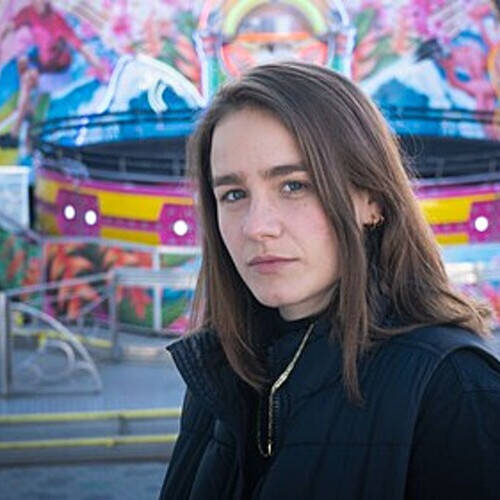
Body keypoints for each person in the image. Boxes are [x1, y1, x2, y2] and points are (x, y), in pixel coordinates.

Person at [159, 61, 500, 500]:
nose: (257, 227)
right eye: (234, 194)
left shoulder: (454, 387)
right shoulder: (220, 370)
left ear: (372, 199)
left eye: (294, 186)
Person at [0, 0, 107, 148]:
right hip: (43, 67)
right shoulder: (29, 12)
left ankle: (16, 132)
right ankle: (27, 115)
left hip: (59, 73)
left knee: (28, 80)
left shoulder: (57, 20)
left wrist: (101, 67)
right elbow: (9, 26)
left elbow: (80, 47)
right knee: (24, 68)